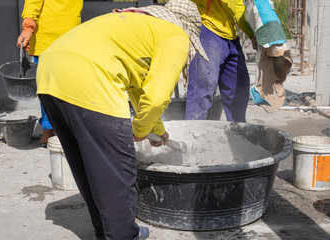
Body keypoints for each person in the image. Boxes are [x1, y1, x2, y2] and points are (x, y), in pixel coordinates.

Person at [36, 0, 208, 239]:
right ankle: (123, 235)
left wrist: (156, 129)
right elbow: (157, 98)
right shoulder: (175, 32)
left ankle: (107, 231)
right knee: (117, 167)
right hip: (89, 78)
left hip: (49, 73)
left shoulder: (136, 24)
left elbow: (140, 88)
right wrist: (140, 129)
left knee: (90, 165)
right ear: (188, 27)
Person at [17, 0, 83, 147]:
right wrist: (28, 27)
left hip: (71, 38)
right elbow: (33, 2)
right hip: (46, 40)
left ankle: (65, 128)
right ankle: (48, 128)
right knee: (47, 88)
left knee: (67, 86)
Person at [185, 0, 257, 122]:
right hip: (208, 29)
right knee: (203, 87)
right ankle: (193, 134)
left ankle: (237, 134)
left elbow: (238, 8)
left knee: (238, 87)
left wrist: (252, 33)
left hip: (230, 36)